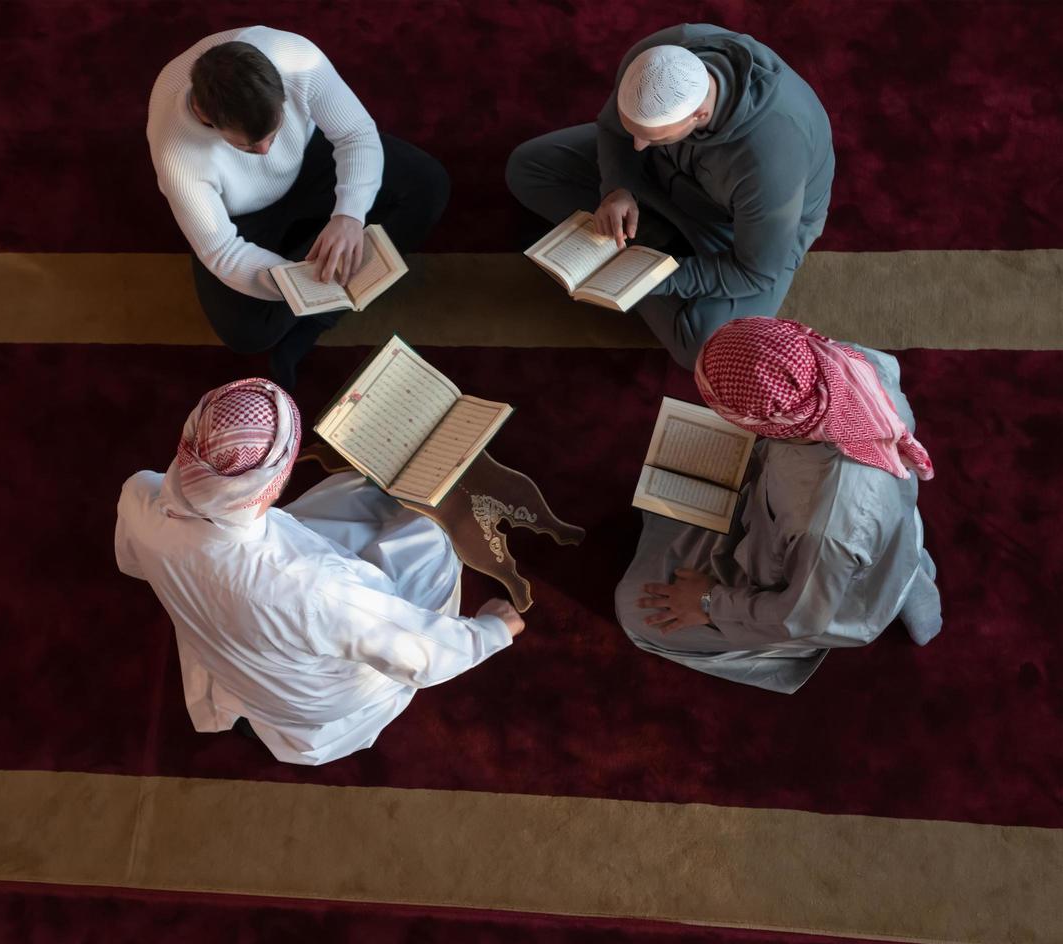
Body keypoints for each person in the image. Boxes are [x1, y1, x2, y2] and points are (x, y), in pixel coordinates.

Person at [115, 377, 524, 765]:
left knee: (352, 496)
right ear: (273, 484)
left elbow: (133, 563)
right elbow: (424, 653)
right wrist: (493, 630)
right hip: (314, 694)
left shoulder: (140, 495)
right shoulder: (315, 592)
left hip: (227, 643)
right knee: (434, 546)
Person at [614, 317, 942, 693]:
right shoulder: (845, 361)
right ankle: (903, 569)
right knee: (671, 475)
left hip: (819, 577)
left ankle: (879, 599)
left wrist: (708, 601)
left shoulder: (824, 527)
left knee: (634, 607)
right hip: (836, 529)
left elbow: (802, 616)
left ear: (774, 422)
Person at [506, 24, 834, 369]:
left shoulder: (771, 160)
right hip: (661, 175)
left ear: (699, 115)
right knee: (526, 168)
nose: (637, 145)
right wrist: (618, 187)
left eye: (653, 137)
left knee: (703, 349)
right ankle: (646, 232)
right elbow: (615, 131)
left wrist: (647, 278)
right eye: (636, 130)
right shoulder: (658, 55)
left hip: (735, 228)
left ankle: (642, 248)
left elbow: (755, 273)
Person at [147, 27, 451, 389]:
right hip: (241, 212)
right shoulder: (176, 154)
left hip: (310, 160)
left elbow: (355, 134)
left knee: (429, 184)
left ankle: (319, 298)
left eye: (272, 135)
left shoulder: (295, 57)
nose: (266, 153)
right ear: (208, 118)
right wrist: (302, 282)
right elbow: (222, 252)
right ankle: (322, 287)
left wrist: (349, 215)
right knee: (246, 334)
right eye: (248, 147)